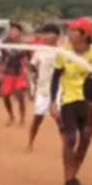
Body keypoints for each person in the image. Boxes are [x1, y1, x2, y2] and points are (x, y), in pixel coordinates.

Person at [50, 18, 92, 185]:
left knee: (86, 137)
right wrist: (53, 102)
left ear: (84, 35)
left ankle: (72, 176)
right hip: (69, 99)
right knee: (70, 138)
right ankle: (68, 180)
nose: (68, 33)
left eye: (73, 31)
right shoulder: (64, 52)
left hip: (88, 101)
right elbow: (55, 77)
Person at [28, 23, 61, 151]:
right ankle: (30, 143)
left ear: (57, 36)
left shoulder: (62, 52)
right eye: (45, 34)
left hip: (58, 90)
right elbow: (32, 65)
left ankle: (66, 145)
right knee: (38, 118)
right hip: (42, 90)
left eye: (49, 34)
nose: (46, 37)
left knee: (59, 119)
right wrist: (35, 75)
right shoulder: (40, 51)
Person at [0, 22, 29, 126]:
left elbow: (26, 57)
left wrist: (25, 69)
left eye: (14, 31)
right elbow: (3, 56)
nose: (12, 33)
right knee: (5, 96)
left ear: (19, 32)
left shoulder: (24, 44)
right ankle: (11, 116)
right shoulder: (5, 42)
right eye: (11, 31)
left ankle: (22, 118)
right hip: (8, 72)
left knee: (20, 96)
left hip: (19, 72)